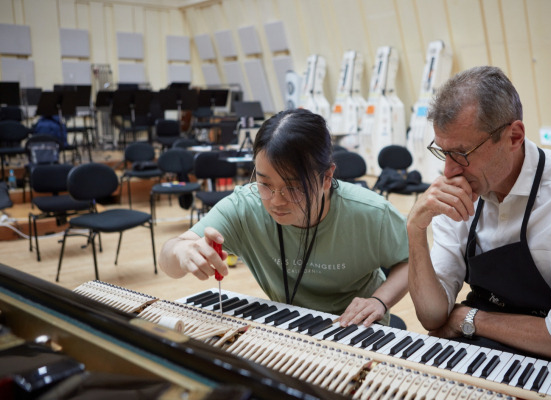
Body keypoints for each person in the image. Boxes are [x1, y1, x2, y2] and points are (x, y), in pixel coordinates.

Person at [407, 66, 551, 369]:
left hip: (550, 365)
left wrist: (469, 317)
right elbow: (432, 316)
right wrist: (415, 229)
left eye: (462, 154)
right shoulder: (454, 194)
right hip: (473, 347)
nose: (449, 172)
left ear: (514, 136)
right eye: (443, 152)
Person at [160, 108, 409, 327]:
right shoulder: (245, 206)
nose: (276, 201)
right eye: (264, 183)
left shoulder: (370, 213)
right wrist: (182, 253)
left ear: (326, 177)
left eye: (293, 188)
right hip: (288, 326)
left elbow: (412, 262)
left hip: (357, 329)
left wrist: (379, 300)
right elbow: (170, 256)